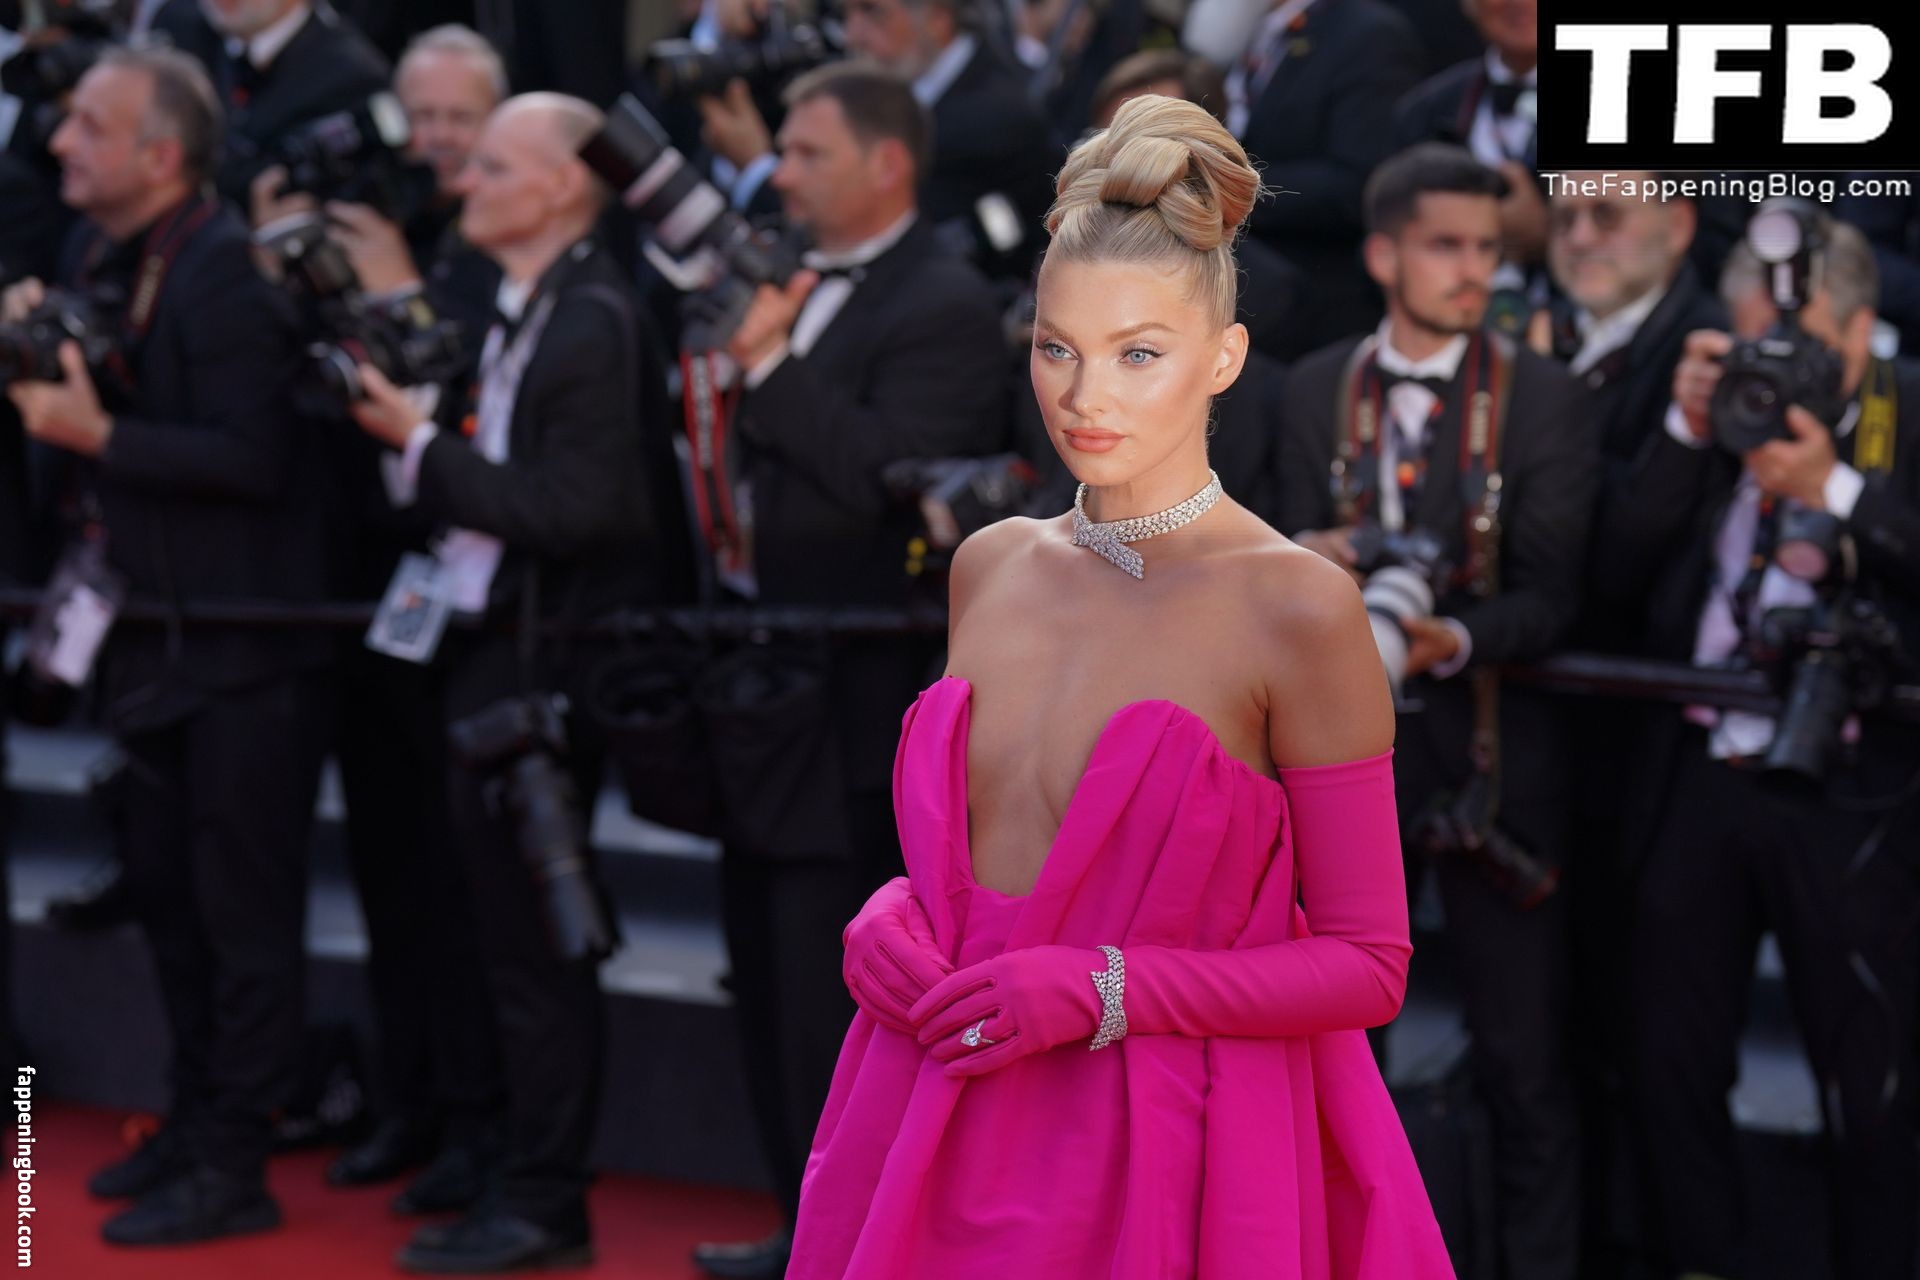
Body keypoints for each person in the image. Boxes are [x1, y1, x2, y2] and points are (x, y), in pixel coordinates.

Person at [784, 93, 1452, 1278]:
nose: (1085, 395)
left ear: (1223, 357)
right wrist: (890, 912)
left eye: (1138, 353)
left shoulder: (1296, 606)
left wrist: (1104, 987)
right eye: (1057, 348)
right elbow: (982, 857)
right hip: (932, 1094)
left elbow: (1369, 960)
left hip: (1161, 1143)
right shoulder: (990, 564)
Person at [348, 91, 689, 1274]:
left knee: (537, 951)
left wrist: (416, 445)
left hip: (543, 673)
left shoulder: (591, 318)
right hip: (491, 654)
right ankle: (506, 1164)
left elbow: (582, 508)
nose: (464, 182)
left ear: (558, 187)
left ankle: (543, 1196)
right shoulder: (528, 306)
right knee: (498, 941)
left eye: (493, 167)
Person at [4, 45, 331, 1245]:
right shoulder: (99, 255)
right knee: (170, 902)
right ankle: (193, 1121)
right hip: (147, 638)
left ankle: (235, 1156)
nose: (59, 144)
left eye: (90, 127)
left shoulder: (224, 272)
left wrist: (95, 433)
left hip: (239, 651)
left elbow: (259, 459)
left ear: (162, 154)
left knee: (243, 919)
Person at [687, 60, 1008, 1280]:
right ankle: (800, 1222)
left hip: (861, 694)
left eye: (807, 152)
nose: (780, 173)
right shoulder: (779, 273)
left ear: (888, 164)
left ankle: (858, 1241)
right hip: (758, 670)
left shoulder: (944, 301)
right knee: (762, 970)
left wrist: (772, 371)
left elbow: (888, 474)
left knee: (835, 986)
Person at [1276, 143, 1598, 1280]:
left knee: (1524, 1063)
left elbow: (1554, 594)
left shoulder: (1546, 398)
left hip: (1491, 769)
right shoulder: (1310, 387)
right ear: (1382, 254)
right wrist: (1304, 561)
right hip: (1335, 765)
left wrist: (1445, 638)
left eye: (1488, 247)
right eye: (1446, 245)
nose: (1474, 270)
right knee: (1330, 1057)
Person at [1595, 206, 1920, 1280]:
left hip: (1854, 787)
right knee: (1667, 1055)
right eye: (1756, 346)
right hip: (1698, 769)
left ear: (1864, 329)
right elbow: (1610, 570)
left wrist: (1835, 490)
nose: (1776, 373)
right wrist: (1690, 428)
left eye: (1804, 348)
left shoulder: (1908, 410)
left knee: (1871, 1079)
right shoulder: (1713, 410)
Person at [313, 22, 510, 1217]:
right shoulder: (372, 214)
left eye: (458, 120)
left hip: (479, 610)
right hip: (373, 593)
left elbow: (468, 397)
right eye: (420, 116)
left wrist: (397, 284)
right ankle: (410, 1095)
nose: (435, 140)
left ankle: (476, 1122)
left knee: (460, 886)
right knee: (388, 867)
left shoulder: (495, 246)